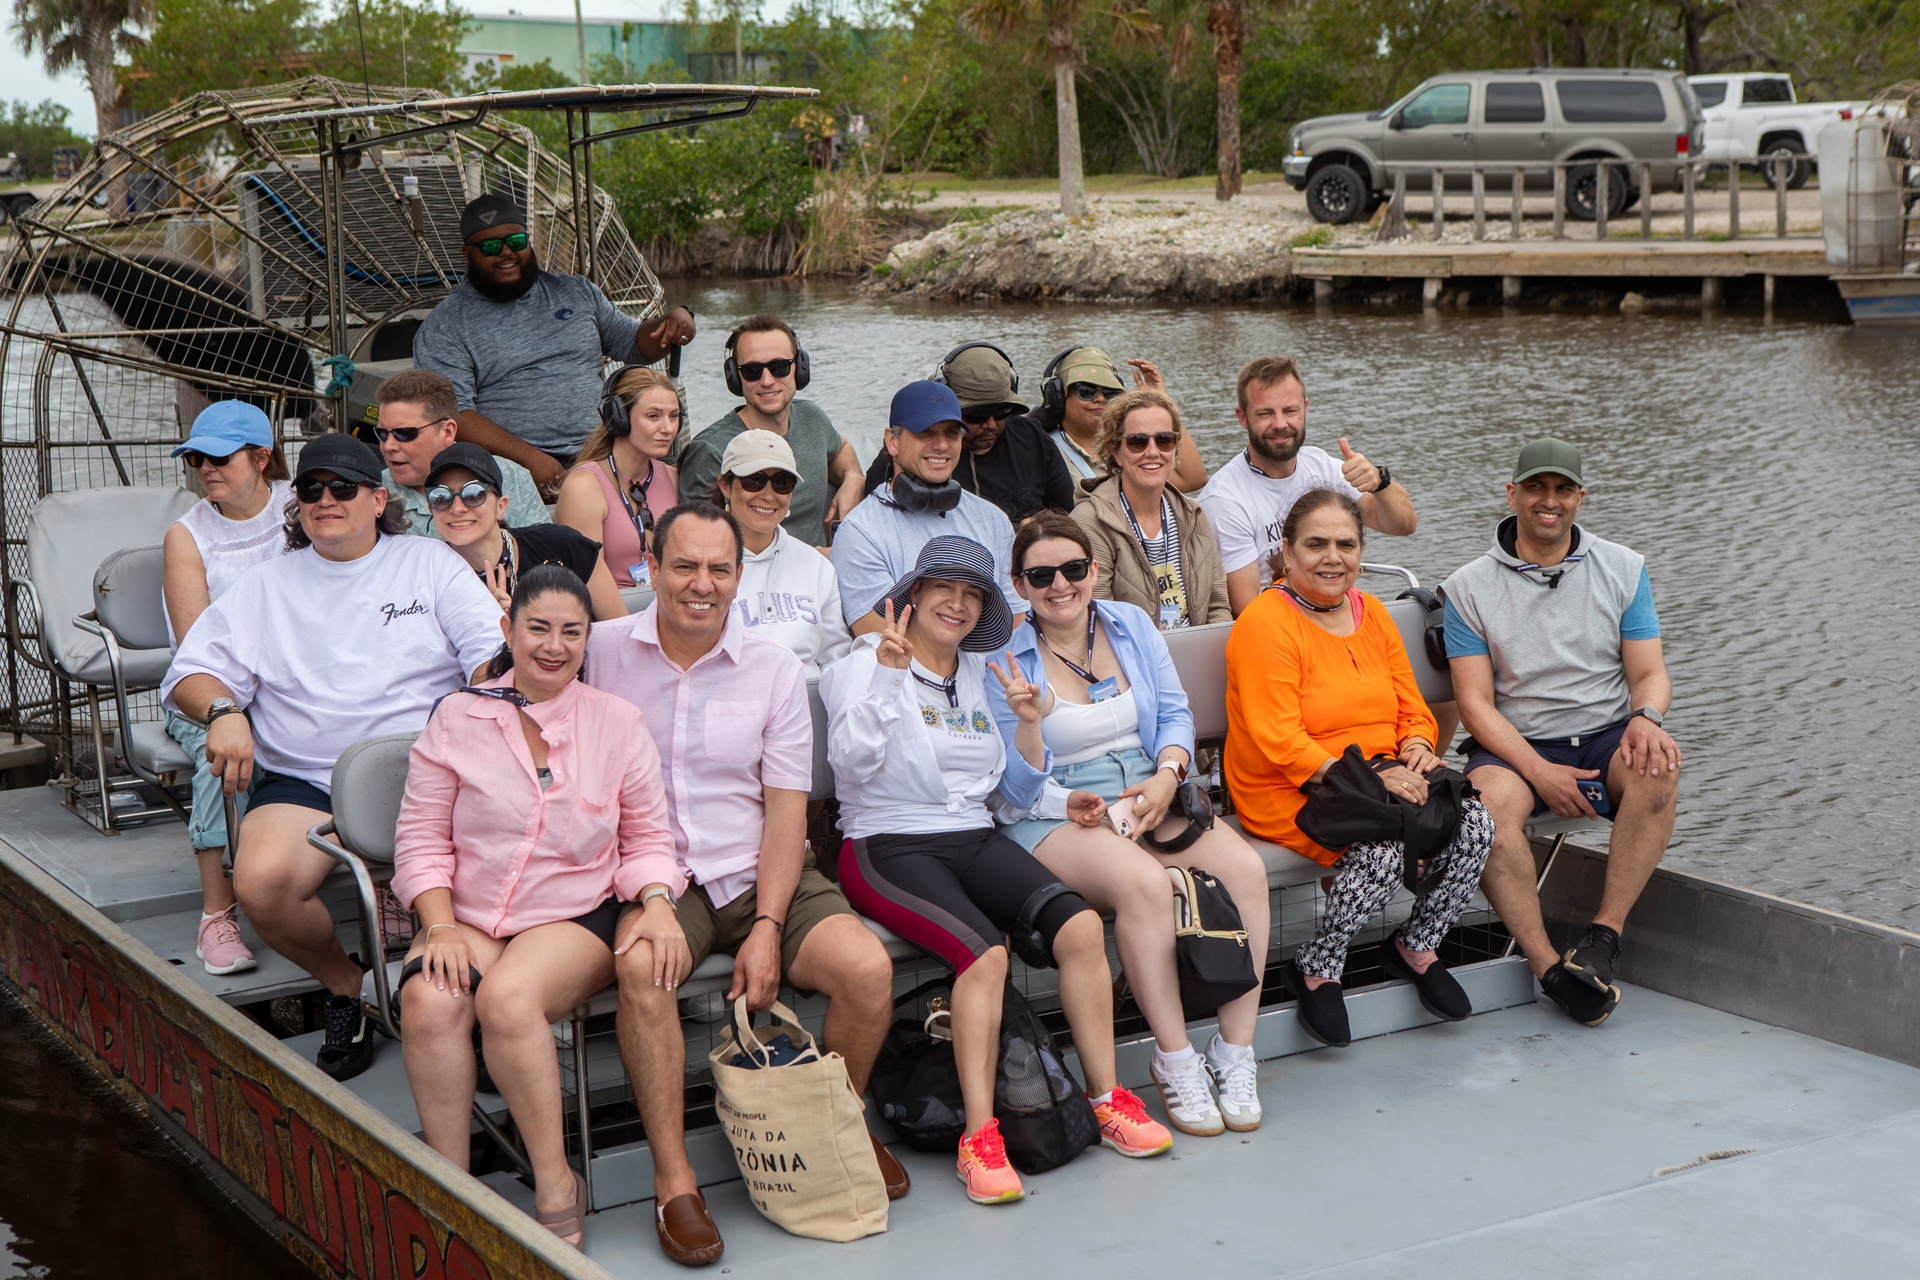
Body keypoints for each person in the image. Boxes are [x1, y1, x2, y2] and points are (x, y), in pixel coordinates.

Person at [586, 502, 902, 1266]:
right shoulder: (599, 651)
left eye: (720, 569)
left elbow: (787, 808)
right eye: (685, 566)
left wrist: (767, 924)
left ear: (739, 577)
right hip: (661, 878)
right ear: (650, 568)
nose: (702, 585)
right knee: (640, 971)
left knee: (867, 970)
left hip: (763, 865)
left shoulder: (772, 668)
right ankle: (675, 1180)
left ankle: (841, 1122)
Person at [823, 535, 1174, 1208]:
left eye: (972, 594)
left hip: (972, 837)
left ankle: (1105, 1098)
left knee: (1075, 926)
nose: (955, 604)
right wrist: (889, 677)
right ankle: (979, 1138)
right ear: (915, 596)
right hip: (886, 845)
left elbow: (1001, 797)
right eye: (942, 589)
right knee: (984, 954)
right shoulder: (865, 661)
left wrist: (1052, 790)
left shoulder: (981, 672)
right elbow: (851, 769)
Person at [160, 433, 505, 1083]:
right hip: (308, 780)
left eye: (343, 487)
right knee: (261, 885)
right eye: (312, 489)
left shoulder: (427, 563)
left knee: (498, 865)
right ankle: (353, 988)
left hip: (428, 770)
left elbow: (488, 657)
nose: (325, 499)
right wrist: (222, 711)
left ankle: (481, 1011)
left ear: (379, 499)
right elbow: (191, 672)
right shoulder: (266, 585)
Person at [390, 566, 674, 1251]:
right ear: (508, 630)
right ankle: (450, 1179)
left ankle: (554, 1182)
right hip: (471, 915)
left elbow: (648, 839)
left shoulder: (617, 723)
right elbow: (421, 840)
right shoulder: (457, 716)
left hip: (573, 915)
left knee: (510, 1000)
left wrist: (659, 901)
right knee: (431, 997)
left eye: (571, 632)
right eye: (538, 628)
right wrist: (439, 925)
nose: (554, 646)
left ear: (587, 641)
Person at [989, 512, 1269, 1136]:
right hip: (1059, 808)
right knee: (1145, 885)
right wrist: (1035, 735)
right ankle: (1174, 1061)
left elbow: (1174, 714)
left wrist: (1170, 773)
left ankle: (1235, 1053)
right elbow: (1011, 787)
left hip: (1151, 787)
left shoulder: (1131, 623)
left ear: (1094, 570)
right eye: (1040, 575)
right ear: (1019, 584)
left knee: (1246, 871)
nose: (1059, 584)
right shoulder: (1003, 657)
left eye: (1072, 569)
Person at [1224, 489, 1494, 1049]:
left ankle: (1417, 944)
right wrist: (1376, 779)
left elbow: (1409, 704)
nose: (1332, 557)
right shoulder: (1264, 623)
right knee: (1383, 846)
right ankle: (1318, 964)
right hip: (1291, 783)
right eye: (1315, 544)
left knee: (1475, 824)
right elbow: (1278, 739)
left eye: (1346, 544)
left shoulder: (1369, 612)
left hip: (1378, 774)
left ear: (1361, 550)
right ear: (1287, 551)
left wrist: (1418, 744)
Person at [1443, 439, 1680, 1029]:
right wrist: (1539, 771)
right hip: (1515, 744)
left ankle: (1603, 939)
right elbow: (1474, 706)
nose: (1549, 501)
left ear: (1580, 497)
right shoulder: (1467, 588)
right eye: (1536, 488)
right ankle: (1549, 966)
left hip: (1605, 733)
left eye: (1562, 489)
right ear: (1513, 494)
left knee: (1658, 769)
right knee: (1488, 812)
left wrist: (1645, 720)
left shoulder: (1624, 567)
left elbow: (1649, 674)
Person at [412, 193, 697, 493]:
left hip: (606, 450)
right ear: (467, 254)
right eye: (491, 247)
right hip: (515, 471)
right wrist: (529, 459)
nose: (506, 253)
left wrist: (673, 320)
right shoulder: (445, 325)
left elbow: (635, 345)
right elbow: (455, 415)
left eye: (517, 241)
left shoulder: (577, 292)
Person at [160, 401, 291, 976]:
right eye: (194, 457)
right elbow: (196, 643)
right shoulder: (187, 534)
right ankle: (217, 914)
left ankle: (384, 884)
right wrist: (236, 703)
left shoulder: (302, 505)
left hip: (293, 680)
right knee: (227, 758)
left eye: (217, 456)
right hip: (212, 684)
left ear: (262, 458)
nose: (204, 468)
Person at [1201, 355, 1417, 617]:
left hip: (1336, 614)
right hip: (1278, 632)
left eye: (1290, 411)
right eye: (1265, 413)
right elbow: (1248, 610)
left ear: (1305, 408)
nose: (1280, 424)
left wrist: (1379, 483)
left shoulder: (1323, 466)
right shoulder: (1224, 500)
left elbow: (1404, 525)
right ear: (1243, 418)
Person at [830, 381, 1025, 637]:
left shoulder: (994, 520)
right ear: (892, 441)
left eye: (952, 433)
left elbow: (1017, 620)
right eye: (925, 433)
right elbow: (882, 637)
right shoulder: (859, 532)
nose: (942, 445)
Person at [674, 314, 862, 547]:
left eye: (779, 367)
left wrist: (853, 477)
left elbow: (840, 448)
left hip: (823, 576)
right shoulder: (711, 450)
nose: (766, 380)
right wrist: (807, 560)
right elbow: (697, 541)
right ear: (734, 376)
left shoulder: (812, 417)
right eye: (752, 370)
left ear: (800, 368)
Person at [860, 342, 1076, 524]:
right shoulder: (907, 453)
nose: (991, 424)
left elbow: (1068, 512)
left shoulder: (1034, 439)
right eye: (977, 415)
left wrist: (1045, 528)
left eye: (1002, 412)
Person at [1072, 388, 1230, 629]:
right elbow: (1098, 620)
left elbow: (1218, 608)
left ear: (1176, 447)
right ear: (1116, 451)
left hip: (1197, 651)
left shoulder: (1193, 515)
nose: (1153, 452)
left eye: (1164, 440)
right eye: (1138, 442)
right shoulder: (1090, 522)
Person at [423, 444, 627, 621]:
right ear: (431, 508)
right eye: (441, 497)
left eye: (474, 494)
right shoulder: (426, 579)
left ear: (500, 507)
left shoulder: (561, 544)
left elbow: (620, 634)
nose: (457, 508)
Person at [713, 431, 853, 676]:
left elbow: (837, 659)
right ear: (725, 485)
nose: (768, 495)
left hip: (806, 705)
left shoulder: (816, 566)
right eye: (753, 480)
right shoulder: (699, 565)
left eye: (782, 482)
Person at [374, 368, 550, 538]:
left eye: (404, 434)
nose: (389, 446)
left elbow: (545, 553)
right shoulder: (370, 495)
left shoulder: (511, 476)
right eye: (382, 434)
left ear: (448, 432)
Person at [554, 365, 680, 590]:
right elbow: (587, 583)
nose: (668, 428)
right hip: (613, 618)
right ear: (618, 417)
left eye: (674, 416)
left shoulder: (674, 478)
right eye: (654, 416)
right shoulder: (584, 486)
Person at [1036, 347, 1206, 493]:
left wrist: (1161, 402)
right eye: (1086, 390)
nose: (1100, 398)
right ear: (1057, 395)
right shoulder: (1040, 449)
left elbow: (1193, 480)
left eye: (1109, 392)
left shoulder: (1131, 444)